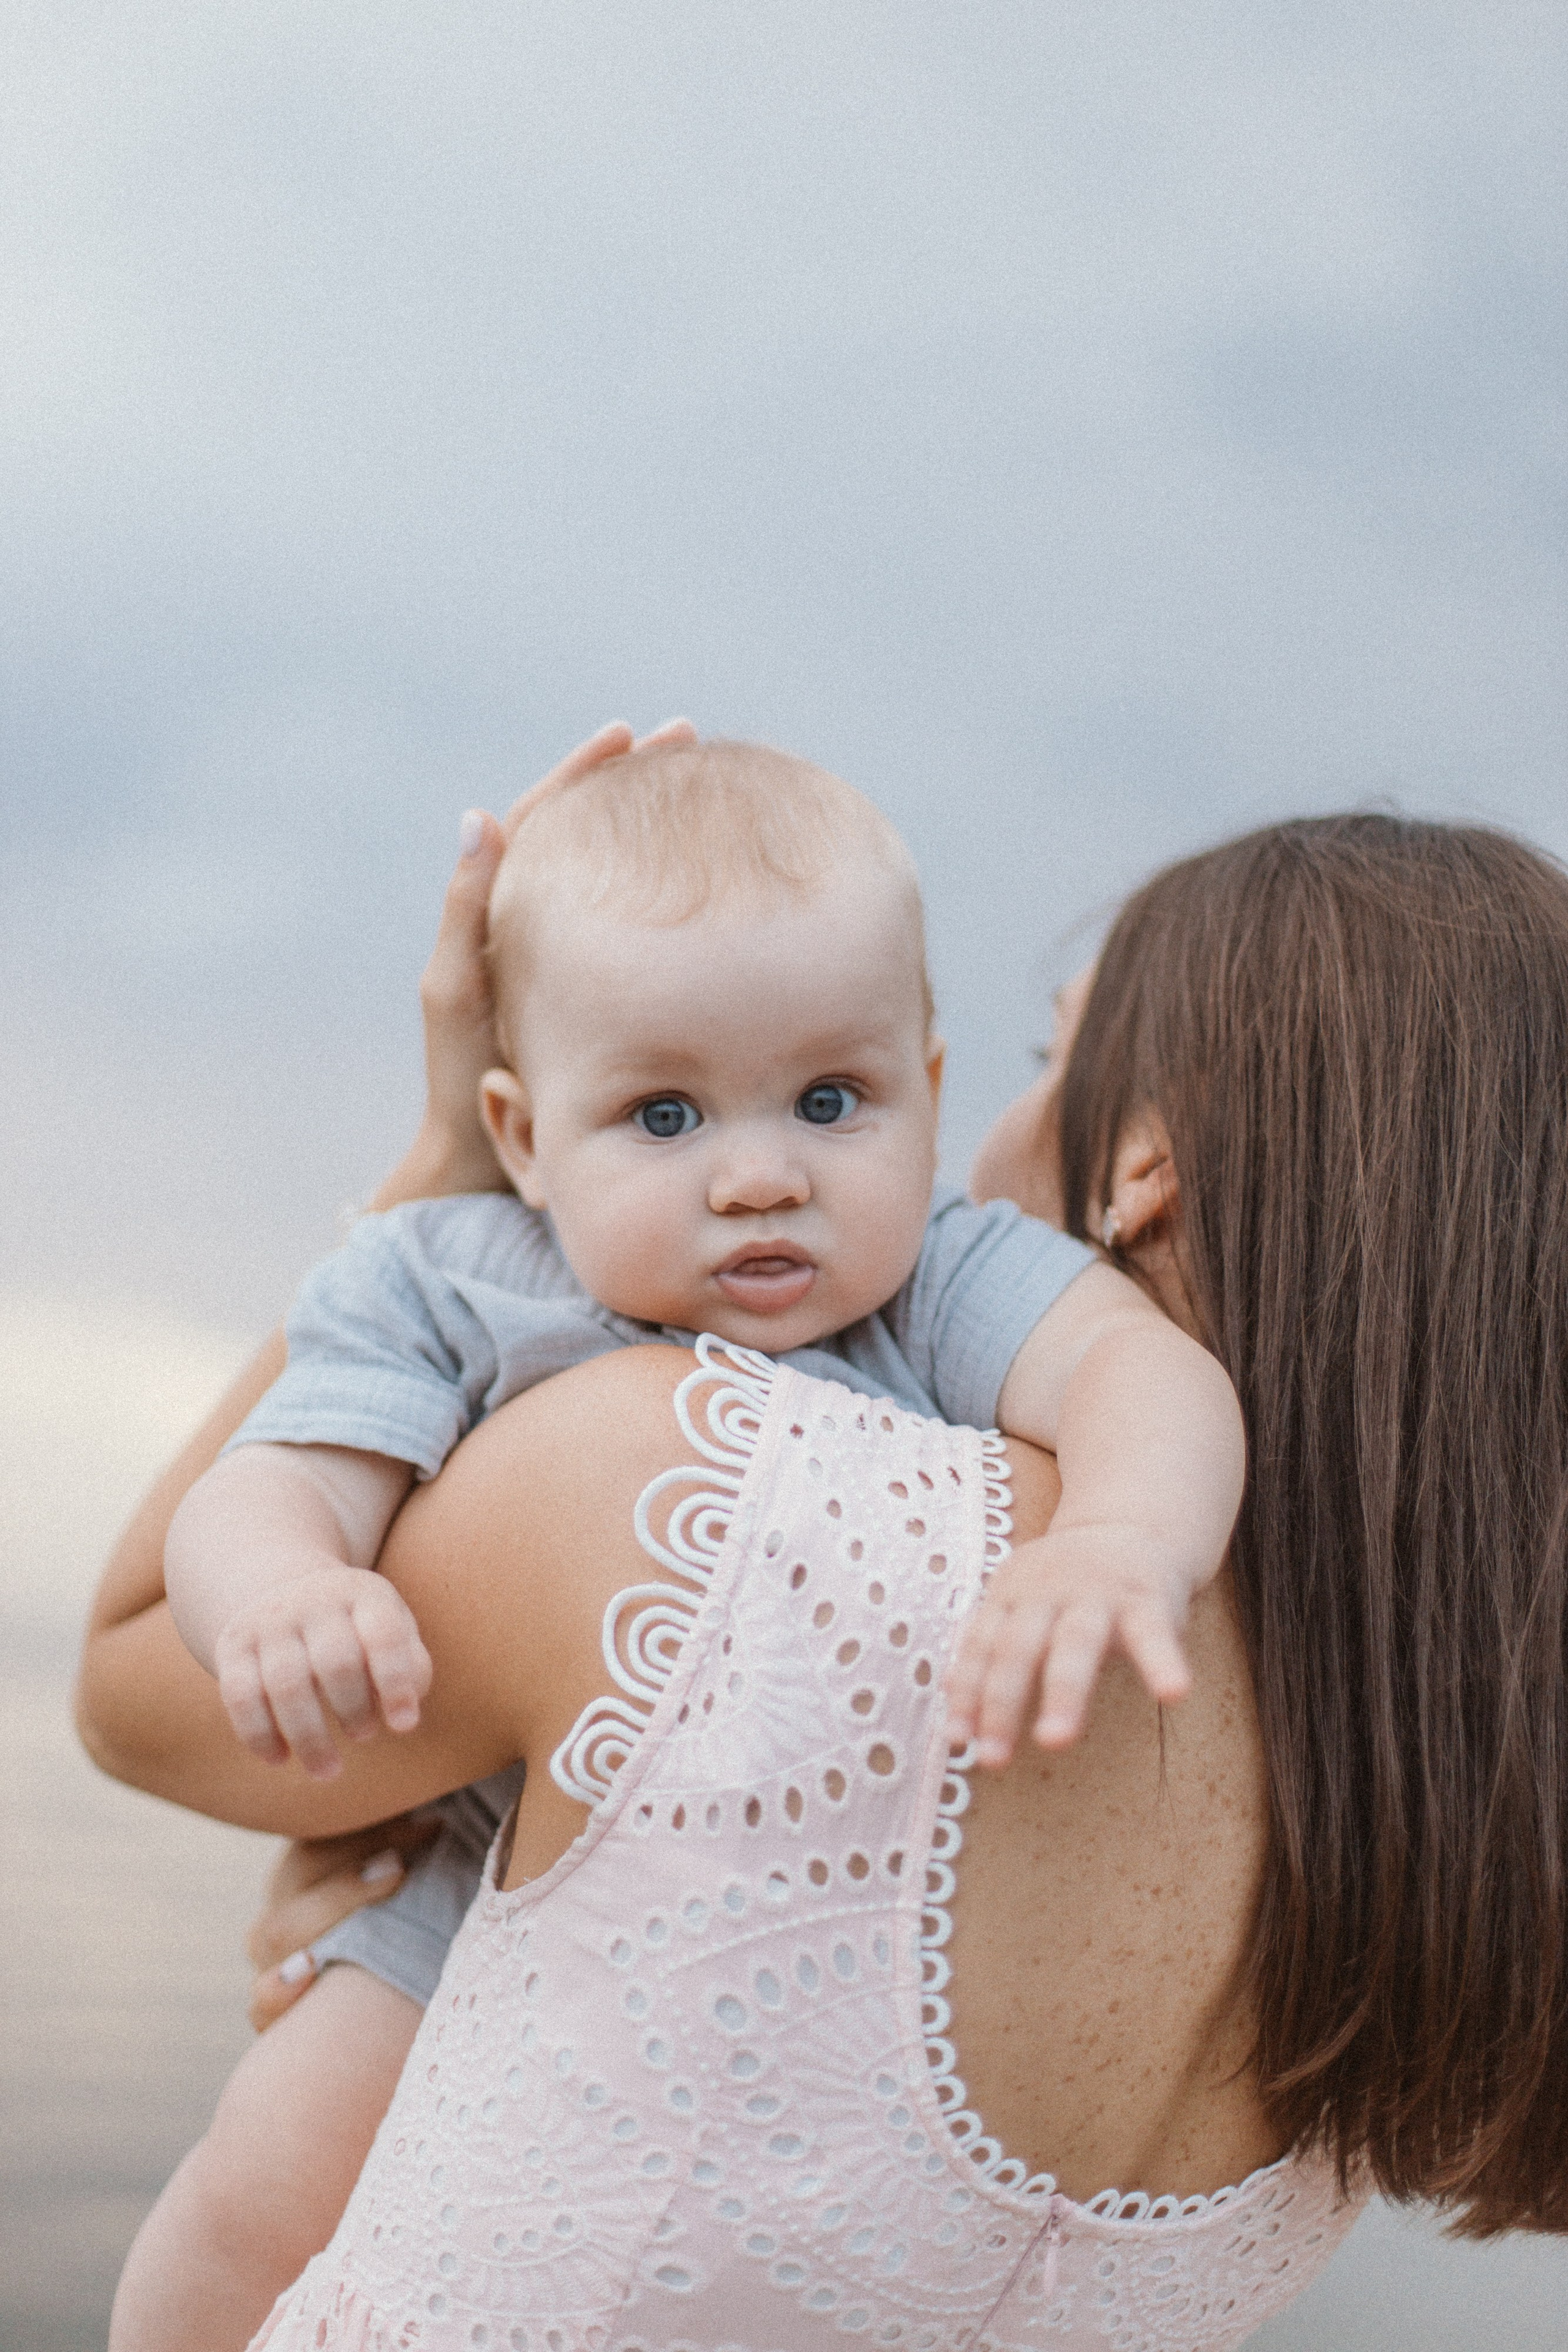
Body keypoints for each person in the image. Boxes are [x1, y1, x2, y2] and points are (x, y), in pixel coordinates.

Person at [76, 806, 1568, 2350]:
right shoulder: (1438, 1802)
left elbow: (138, 1690)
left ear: (1141, 1166)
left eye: (1050, 1054)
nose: (765, 1174)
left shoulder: (694, 1484)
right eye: (667, 1112)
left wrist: (443, 1164)